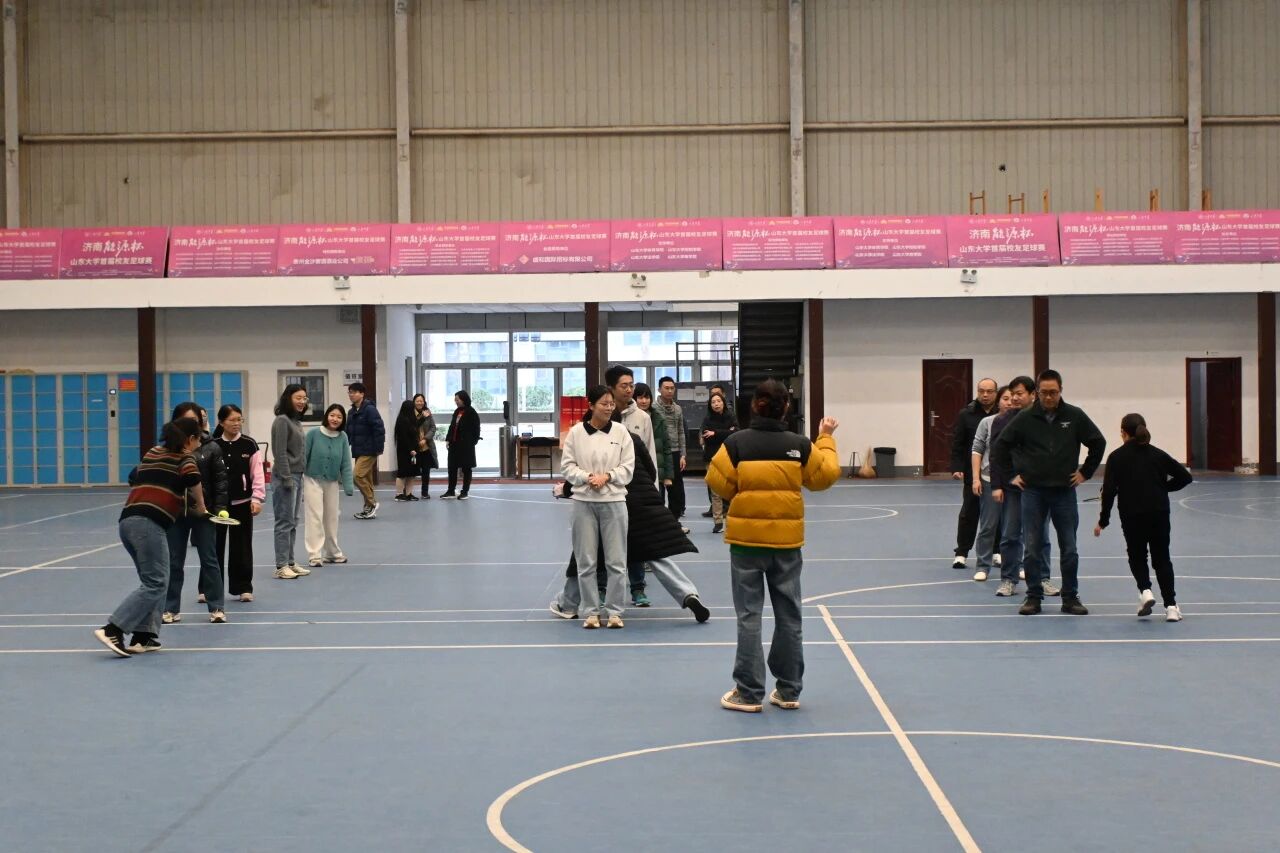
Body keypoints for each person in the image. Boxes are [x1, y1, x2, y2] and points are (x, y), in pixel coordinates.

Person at [707, 379, 841, 713]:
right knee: (789, 615)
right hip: (786, 544)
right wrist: (825, 438)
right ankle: (788, 689)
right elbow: (825, 477)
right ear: (786, 408)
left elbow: (717, 481)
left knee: (749, 616)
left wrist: (743, 495)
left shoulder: (736, 443)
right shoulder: (800, 445)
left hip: (746, 545)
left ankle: (748, 692)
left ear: (755, 405)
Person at [550, 411, 711, 624]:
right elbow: (651, 470)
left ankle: (567, 603)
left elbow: (585, 474)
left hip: (611, 502)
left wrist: (564, 490)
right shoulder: (633, 438)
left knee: (586, 557)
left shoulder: (592, 439)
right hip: (645, 504)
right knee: (656, 554)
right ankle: (688, 594)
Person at [992, 369, 1106, 616]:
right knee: (1032, 548)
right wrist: (1012, 475)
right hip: (1033, 492)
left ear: (1061, 390)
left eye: (1053, 392)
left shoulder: (1074, 415)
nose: (1048, 397)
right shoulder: (1025, 418)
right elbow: (1000, 447)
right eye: (1044, 393)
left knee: (1069, 548)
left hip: (1064, 492)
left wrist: (1085, 472)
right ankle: (1033, 597)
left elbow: (1098, 442)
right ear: (1037, 392)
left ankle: (1070, 597)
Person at [94, 419, 203, 657]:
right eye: (198, 439)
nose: (199, 444)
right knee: (157, 582)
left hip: (127, 521)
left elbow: (138, 478)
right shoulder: (185, 458)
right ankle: (113, 629)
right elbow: (194, 480)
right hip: (148, 524)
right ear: (190, 439)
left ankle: (144, 636)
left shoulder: (153, 452)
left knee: (153, 579)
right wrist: (202, 508)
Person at [1094, 413, 1193, 622]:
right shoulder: (1158, 455)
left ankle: (1145, 591)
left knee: (1137, 555)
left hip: (1131, 514)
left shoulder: (1116, 457)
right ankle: (1171, 607)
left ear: (1123, 433)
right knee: (1162, 558)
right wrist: (1164, 487)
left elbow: (1109, 492)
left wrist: (1103, 520)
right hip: (1159, 512)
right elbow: (1185, 477)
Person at [561, 384, 635, 629]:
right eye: (604, 403)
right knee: (586, 562)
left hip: (614, 502)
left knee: (616, 561)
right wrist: (587, 477)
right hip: (583, 503)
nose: (609, 408)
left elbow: (628, 467)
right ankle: (591, 612)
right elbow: (567, 466)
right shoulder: (575, 433)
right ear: (591, 405)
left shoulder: (621, 432)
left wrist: (608, 476)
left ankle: (615, 612)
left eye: (611, 404)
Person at [162, 402, 229, 625]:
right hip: (175, 514)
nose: (189, 424)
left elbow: (220, 481)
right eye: (184, 420)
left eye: (194, 420)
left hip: (203, 512)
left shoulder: (212, 447)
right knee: (174, 561)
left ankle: (216, 607)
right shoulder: (166, 451)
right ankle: (170, 608)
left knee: (210, 559)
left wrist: (219, 508)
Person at [989, 375, 1055, 597]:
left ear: (1032, 395)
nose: (1014, 398)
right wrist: (999, 484)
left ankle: (1043, 578)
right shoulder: (1001, 421)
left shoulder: (1045, 419)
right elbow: (996, 455)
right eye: (1012, 395)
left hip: (1041, 488)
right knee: (1010, 535)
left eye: (1019, 394)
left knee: (1041, 536)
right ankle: (1009, 579)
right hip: (1013, 490)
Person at [213, 404, 264, 603]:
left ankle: (243, 587)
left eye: (239, 419)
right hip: (217, 505)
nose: (236, 423)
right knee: (213, 547)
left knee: (242, 547)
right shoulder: (213, 445)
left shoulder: (249, 445)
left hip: (242, 503)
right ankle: (210, 588)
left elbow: (257, 474)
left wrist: (257, 498)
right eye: (232, 420)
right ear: (221, 422)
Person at [950, 378, 999, 568]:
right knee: (969, 513)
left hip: (996, 474)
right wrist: (957, 467)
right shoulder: (966, 414)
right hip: (973, 475)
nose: (985, 395)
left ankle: (996, 551)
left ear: (996, 393)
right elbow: (958, 443)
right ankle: (961, 553)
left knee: (997, 515)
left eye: (989, 391)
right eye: (981, 391)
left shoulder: (1002, 414)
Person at [968, 386, 1012, 582]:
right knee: (988, 526)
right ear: (998, 401)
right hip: (989, 480)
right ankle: (983, 566)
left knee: (1015, 528)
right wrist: (976, 478)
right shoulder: (987, 423)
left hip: (1015, 483)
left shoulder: (1024, 422)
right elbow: (977, 449)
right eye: (1005, 398)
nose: (1009, 402)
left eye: (1013, 398)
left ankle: (1017, 565)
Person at [303, 404, 355, 568]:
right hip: (312, 479)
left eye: (339, 417)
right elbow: (303, 456)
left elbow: (346, 463)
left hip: (332, 482)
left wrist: (348, 485)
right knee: (315, 516)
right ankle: (314, 554)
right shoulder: (313, 433)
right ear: (326, 416)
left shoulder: (343, 437)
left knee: (332, 517)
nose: (335, 419)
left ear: (343, 420)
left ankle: (332, 553)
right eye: (332, 415)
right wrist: (296, 478)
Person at [271, 383, 311, 579]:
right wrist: (287, 478)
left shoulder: (296, 421)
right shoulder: (282, 421)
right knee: (284, 522)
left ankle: (291, 562)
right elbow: (279, 453)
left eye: (304, 398)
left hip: (297, 475)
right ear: (288, 398)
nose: (302, 401)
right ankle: (281, 565)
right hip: (285, 477)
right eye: (298, 398)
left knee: (293, 522)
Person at [607, 365, 658, 478]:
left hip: (637, 479)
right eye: (624, 386)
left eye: (631, 385)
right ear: (611, 388)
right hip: (609, 479)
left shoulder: (643, 417)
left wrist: (653, 484)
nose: (629, 390)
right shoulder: (604, 416)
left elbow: (650, 453)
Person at [346, 382, 385, 519]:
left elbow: (379, 429)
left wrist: (379, 448)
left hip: (370, 450)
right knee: (366, 479)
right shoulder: (351, 412)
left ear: (362, 394)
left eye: (354, 392)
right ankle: (368, 508)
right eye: (350, 392)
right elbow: (348, 431)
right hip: (358, 450)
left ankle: (372, 503)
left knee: (357, 476)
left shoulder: (370, 409)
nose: (351, 395)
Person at [700, 391, 737, 534]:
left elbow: (736, 433)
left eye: (719, 401)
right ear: (710, 405)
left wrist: (715, 433)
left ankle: (733, 519)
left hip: (729, 457)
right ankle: (718, 521)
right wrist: (726, 432)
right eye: (713, 402)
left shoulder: (731, 416)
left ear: (723, 403)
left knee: (732, 490)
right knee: (715, 492)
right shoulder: (707, 419)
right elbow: (706, 436)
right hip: (712, 458)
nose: (716, 404)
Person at [654, 376, 688, 522]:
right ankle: (660, 522)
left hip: (675, 452)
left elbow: (681, 432)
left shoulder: (678, 409)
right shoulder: (653, 408)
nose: (669, 391)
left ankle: (675, 521)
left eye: (672, 388)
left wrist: (683, 455)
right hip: (659, 453)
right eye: (666, 388)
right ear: (659, 389)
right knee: (660, 489)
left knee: (676, 491)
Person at [442, 390, 480, 500]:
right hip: (454, 445)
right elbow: (452, 426)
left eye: (457, 399)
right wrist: (448, 439)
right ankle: (451, 491)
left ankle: (465, 491)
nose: (456, 401)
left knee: (466, 468)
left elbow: (476, 429)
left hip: (466, 445)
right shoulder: (457, 411)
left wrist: (472, 442)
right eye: (455, 400)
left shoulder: (471, 412)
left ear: (463, 399)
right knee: (452, 468)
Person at [393, 400, 421, 502]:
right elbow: (404, 438)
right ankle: (399, 494)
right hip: (405, 451)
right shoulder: (402, 420)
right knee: (402, 473)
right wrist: (411, 449)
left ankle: (409, 494)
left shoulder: (410, 419)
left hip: (412, 450)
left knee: (411, 473)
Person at [414, 393, 438, 498]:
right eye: (417, 401)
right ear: (414, 402)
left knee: (426, 470)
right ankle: (407, 492)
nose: (419, 403)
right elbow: (410, 428)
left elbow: (433, 427)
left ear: (424, 402)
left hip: (426, 446)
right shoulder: (410, 413)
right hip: (414, 447)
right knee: (411, 470)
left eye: (421, 401)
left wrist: (425, 439)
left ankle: (424, 492)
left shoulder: (427, 412)